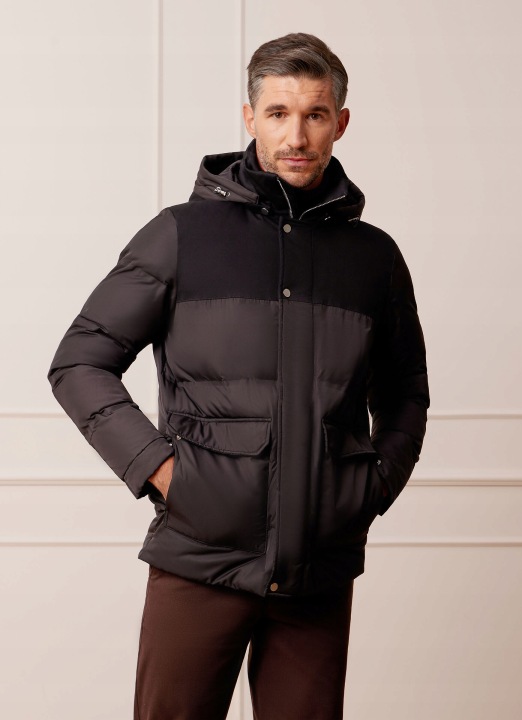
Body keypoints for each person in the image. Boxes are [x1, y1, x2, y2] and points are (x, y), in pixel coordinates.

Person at [48, 32, 429, 720]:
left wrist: (370, 488)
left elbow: (405, 394)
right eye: (278, 113)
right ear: (249, 117)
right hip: (200, 556)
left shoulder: (374, 258)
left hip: (318, 570)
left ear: (341, 122)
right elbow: (80, 361)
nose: (297, 136)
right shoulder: (181, 236)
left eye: (315, 114)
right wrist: (163, 472)